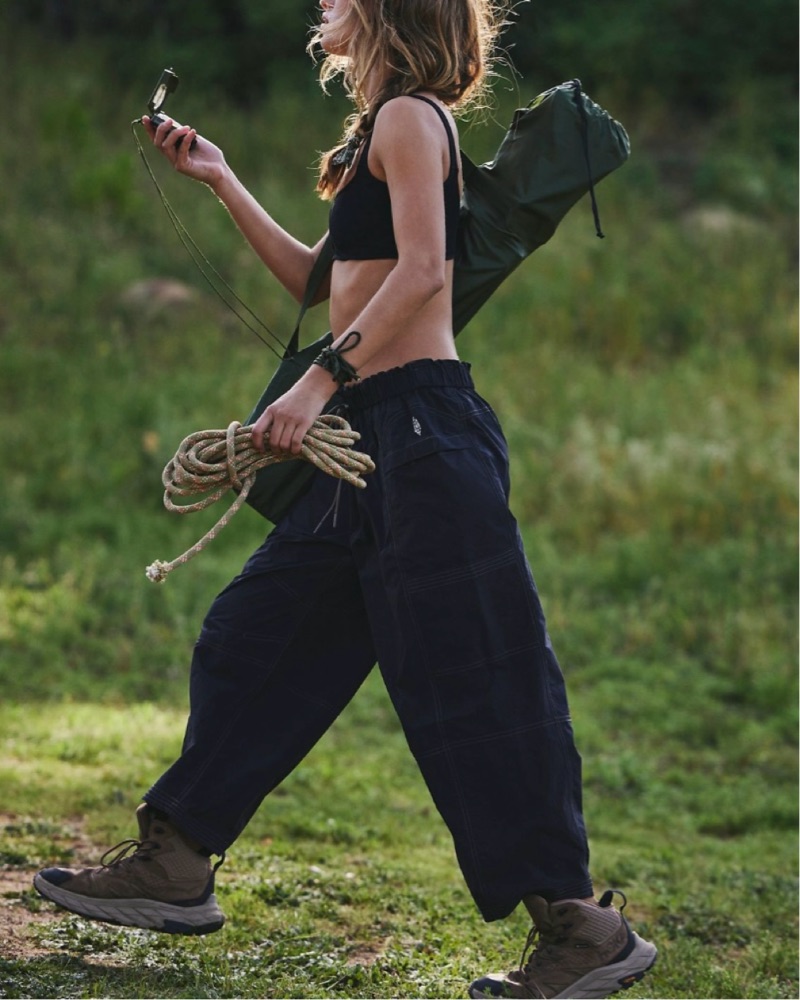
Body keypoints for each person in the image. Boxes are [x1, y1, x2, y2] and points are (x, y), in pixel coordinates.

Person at [34, 0, 657, 996]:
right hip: (369, 442)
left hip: (419, 436)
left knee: (477, 682)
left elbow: (426, 272)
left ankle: (581, 928)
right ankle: (177, 858)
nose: (322, 5)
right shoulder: (381, 128)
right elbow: (324, 282)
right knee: (253, 638)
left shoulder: (411, 117)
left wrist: (318, 380)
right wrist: (221, 178)